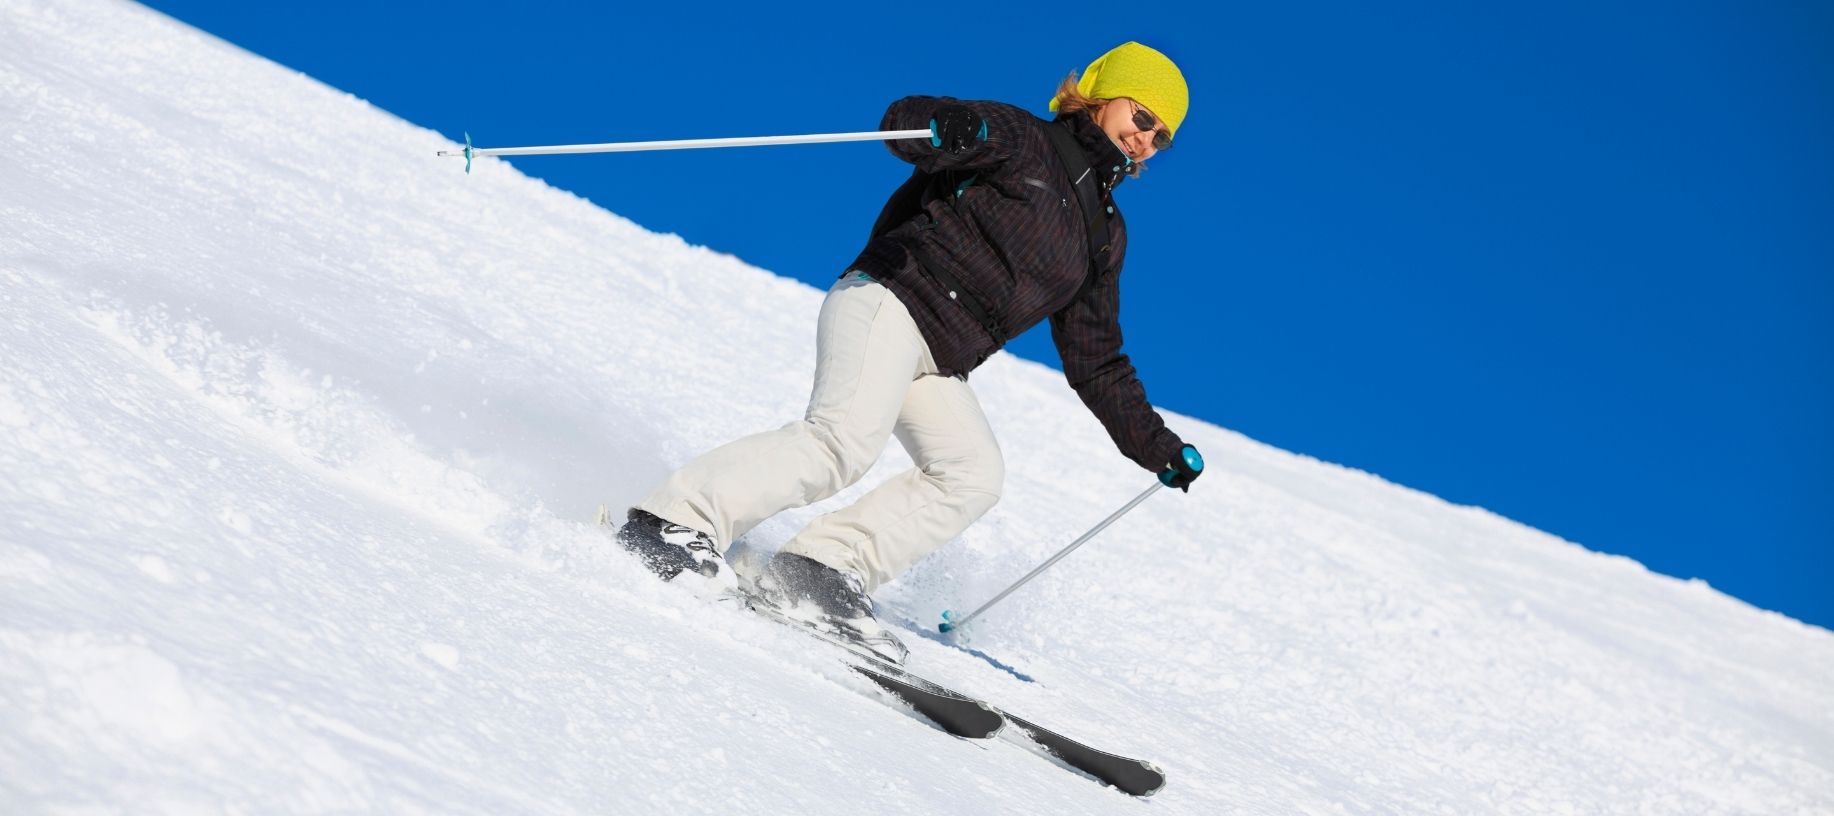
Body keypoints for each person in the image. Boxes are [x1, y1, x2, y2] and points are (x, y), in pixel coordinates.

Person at [615, 41, 1205, 662]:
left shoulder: (1103, 234)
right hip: (890, 301)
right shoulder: (1021, 137)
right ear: (1102, 96)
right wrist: (948, 126)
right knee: (840, 445)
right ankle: (673, 521)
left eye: (1161, 138)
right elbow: (910, 122)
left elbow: (1097, 359)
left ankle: (819, 569)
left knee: (972, 475)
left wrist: (1157, 448)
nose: (1145, 140)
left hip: (940, 356)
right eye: (1142, 118)